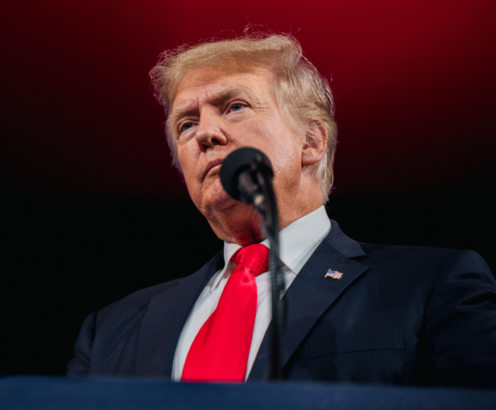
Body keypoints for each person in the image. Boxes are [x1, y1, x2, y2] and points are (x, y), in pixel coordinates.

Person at [67, 33, 496, 387]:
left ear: (311, 142)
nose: (205, 134)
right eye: (186, 124)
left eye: (235, 106)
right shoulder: (112, 329)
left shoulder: (429, 285)